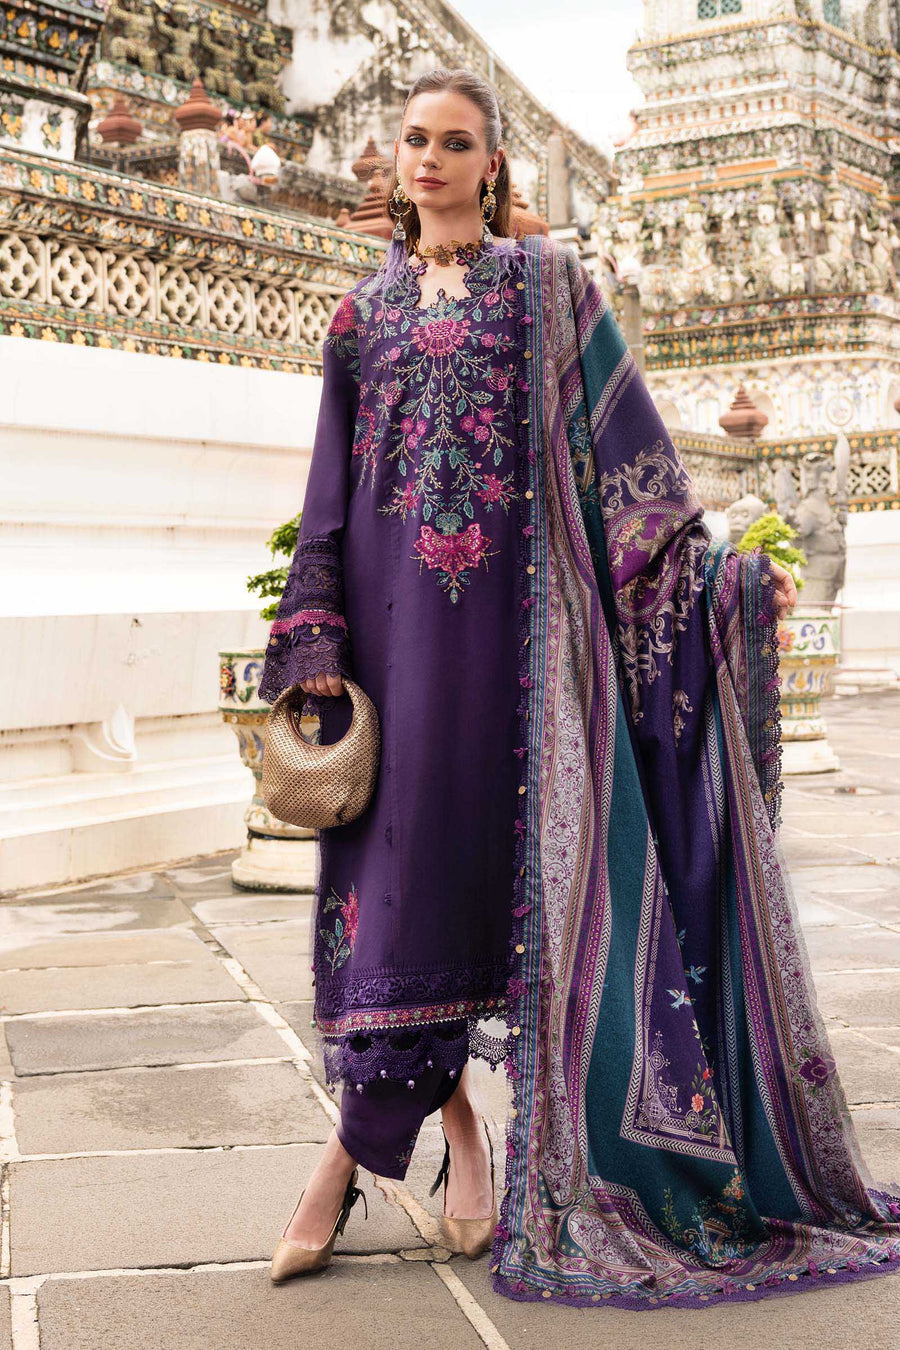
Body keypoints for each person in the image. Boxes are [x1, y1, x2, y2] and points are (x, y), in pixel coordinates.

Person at [259, 67, 900, 1305]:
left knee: (474, 889)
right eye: (415, 140)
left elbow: (634, 465)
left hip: (520, 662)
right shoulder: (358, 317)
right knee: (397, 902)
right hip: (391, 652)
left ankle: (344, 1167)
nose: (431, 160)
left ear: (493, 164)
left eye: (457, 143)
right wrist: (315, 637)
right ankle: (451, 1135)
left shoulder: (550, 290)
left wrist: (719, 583)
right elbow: (328, 492)